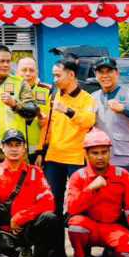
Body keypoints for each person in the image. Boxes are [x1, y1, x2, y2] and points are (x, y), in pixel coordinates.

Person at [64, 130, 129, 257]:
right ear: (86, 154)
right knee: (76, 225)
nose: (100, 157)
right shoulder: (78, 176)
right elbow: (72, 209)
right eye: (95, 153)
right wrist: (90, 189)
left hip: (112, 227)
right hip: (89, 225)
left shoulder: (122, 176)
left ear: (110, 153)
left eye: (104, 152)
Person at [0, 129, 60, 257]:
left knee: (50, 218)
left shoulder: (35, 172)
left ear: (24, 148)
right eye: (10, 145)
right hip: (5, 230)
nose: (14, 149)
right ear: (3, 148)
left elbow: (48, 202)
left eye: (18, 145)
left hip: (28, 226)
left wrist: (20, 217)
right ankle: (9, 255)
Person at [43, 58, 96, 214]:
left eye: (58, 76)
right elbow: (48, 126)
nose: (54, 80)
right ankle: (56, 238)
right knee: (52, 204)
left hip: (76, 157)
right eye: (53, 76)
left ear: (71, 75)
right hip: (53, 157)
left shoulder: (87, 98)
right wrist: (41, 150)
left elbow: (89, 121)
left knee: (79, 202)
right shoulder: (54, 95)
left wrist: (68, 111)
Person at [90, 59, 129, 174]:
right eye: (101, 72)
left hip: (124, 158)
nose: (105, 76)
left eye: (109, 71)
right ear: (96, 75)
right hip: (100, 159)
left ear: (116, 73)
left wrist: (124, 109)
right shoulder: (93, 97)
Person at [17, 57, 51, 164]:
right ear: (17, 71)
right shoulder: (10, 90)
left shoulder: (47, 91)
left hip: (39, 152)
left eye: (31, 70)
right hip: (15, 150)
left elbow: (51, 124)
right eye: (24, 70)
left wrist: (42, 151)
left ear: (37, 72)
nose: (27, 74)